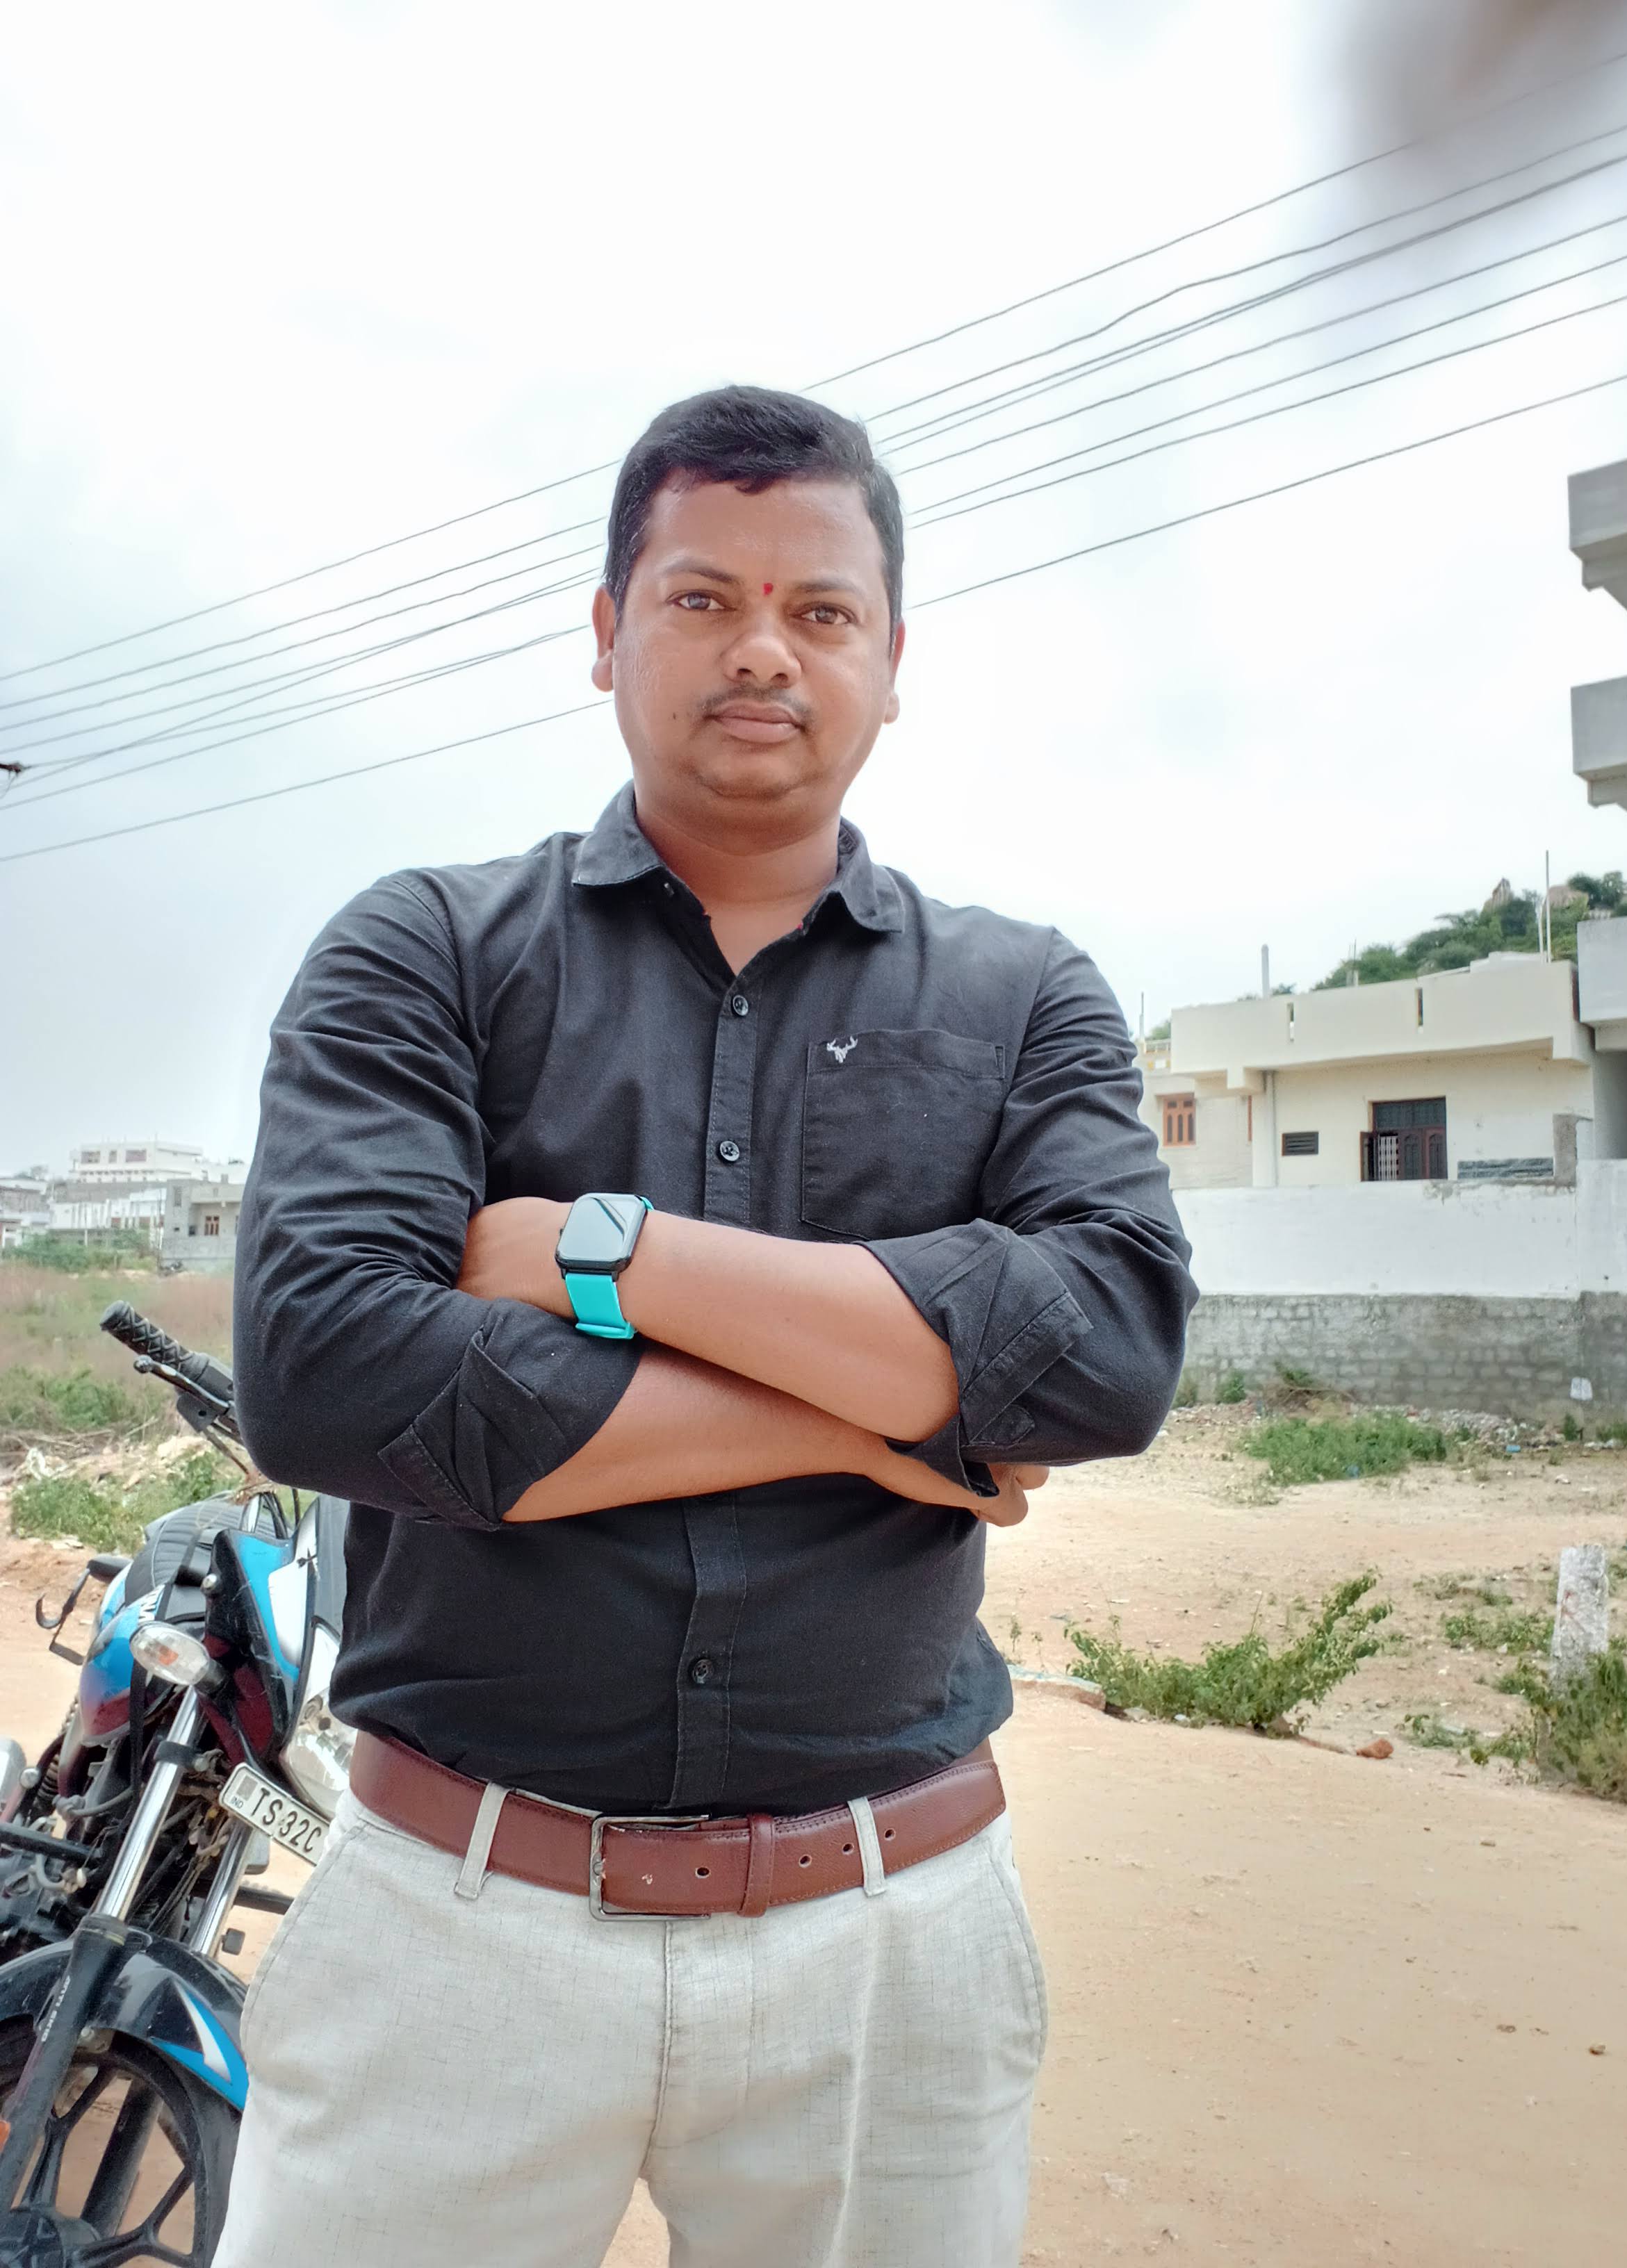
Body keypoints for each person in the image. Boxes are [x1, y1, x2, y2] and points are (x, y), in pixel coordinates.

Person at [215, 384, 1195, 2268]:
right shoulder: (427, 952)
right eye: (702, 598)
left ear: (893, 659)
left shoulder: (1024, 998)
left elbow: (1106, 1354)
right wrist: (894, 1407)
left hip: (892, 1941)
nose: (764, 650)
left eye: (821, 609)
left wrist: (609, 1256)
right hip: (454, 1928)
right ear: (607, 633)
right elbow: (333, 1375)